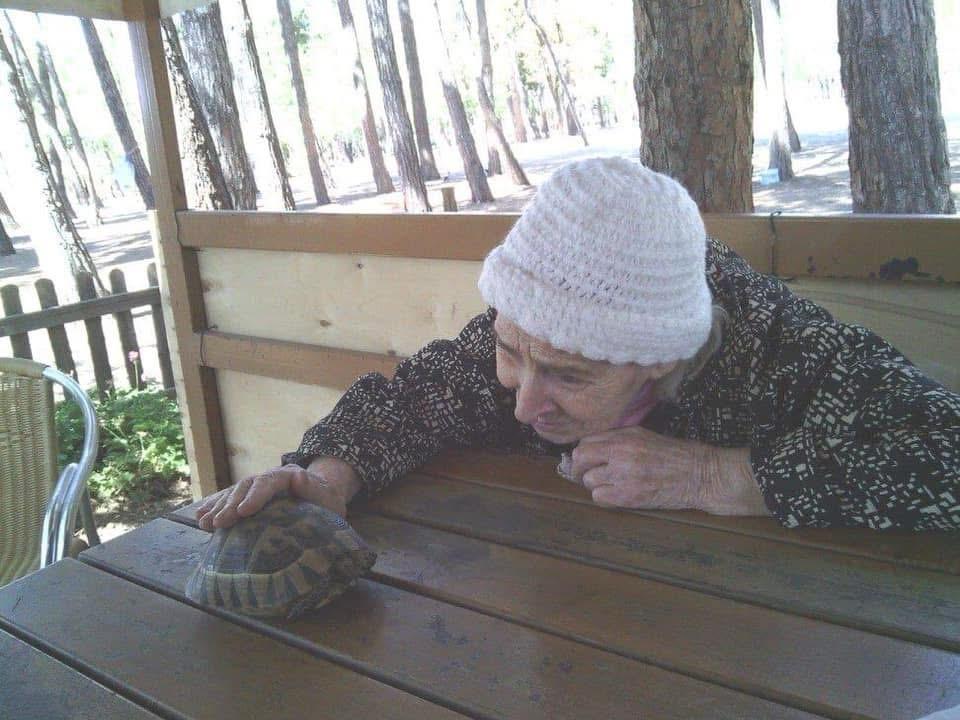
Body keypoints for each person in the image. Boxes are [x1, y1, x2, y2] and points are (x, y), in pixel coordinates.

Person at [197, 157, 960, 532]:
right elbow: (415, 399)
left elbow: (945, 450)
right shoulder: (535, 319)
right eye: (510, 353)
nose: (523, 404)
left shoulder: (776, 348)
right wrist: (328, 479)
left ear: (660, 361)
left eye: (569, 376)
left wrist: (718, 476)